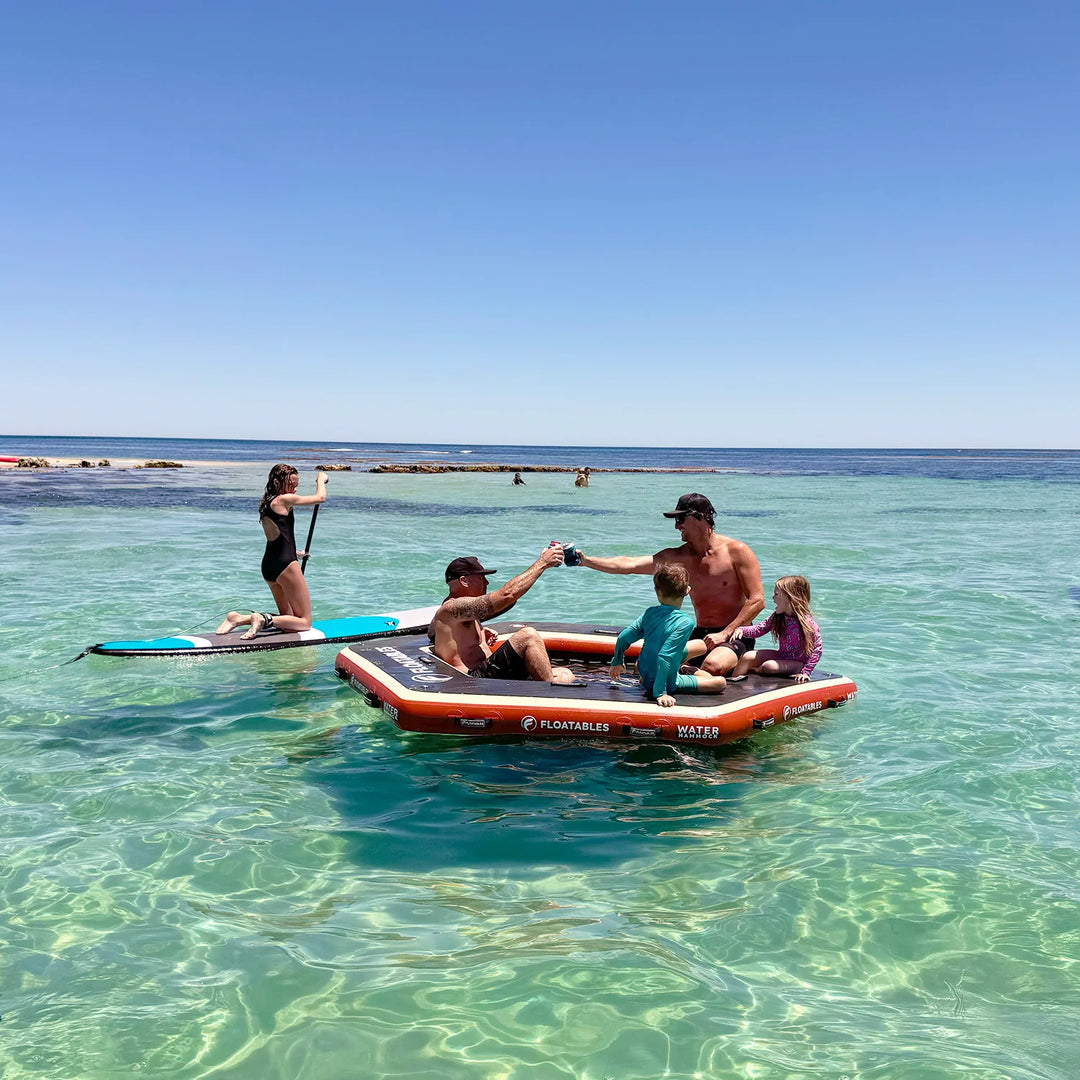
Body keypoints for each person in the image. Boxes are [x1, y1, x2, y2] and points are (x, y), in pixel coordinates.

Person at [577, 493, 764, 676]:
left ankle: (693, 669)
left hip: (735, 634)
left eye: (681, 519)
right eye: (675, 520)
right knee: (644, 667)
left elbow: (757, 600)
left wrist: (725, 633)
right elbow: (629, 564)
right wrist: (586, 561)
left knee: (713, 666)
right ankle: (686, 670)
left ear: (701, 517)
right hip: (700, 634)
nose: (677, 526)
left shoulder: (737, 551)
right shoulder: (677, 557)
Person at [216, 464, 329, 638]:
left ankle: (238, 618)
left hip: (270, 565)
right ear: (277, 482)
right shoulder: (284, 500)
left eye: (296, 484)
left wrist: (296, 553)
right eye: (291, 484)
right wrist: (321, 479)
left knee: (290, 623)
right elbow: (320, 497)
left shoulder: (267, 502)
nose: (295, 489)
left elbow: (278, 537)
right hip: (286, 566)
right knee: (305, 622)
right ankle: (261, 618)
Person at [429, 550, 575, 683]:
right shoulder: (453, 608)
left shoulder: (456, 613)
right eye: (481, 577)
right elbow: (506, 595)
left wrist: (478, 633)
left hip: (488, 671)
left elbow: (432, 631)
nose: (486, 582)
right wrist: (542, 563)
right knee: (528, 635)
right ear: (464, 581)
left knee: (565, 673)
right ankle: (548, 696)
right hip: (473, 678)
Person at [608, 563, 729, 706]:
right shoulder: (686, 622)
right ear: (687, 590)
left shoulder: (649, 613)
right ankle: (688, 670)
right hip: (666, 681)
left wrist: (617, 661)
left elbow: (623, 637)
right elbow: (665, 656)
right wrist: (661, 692)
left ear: (656, 591)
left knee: (701, 645)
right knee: (720, 683)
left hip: (646, 673)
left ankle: (677, 667)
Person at [728, 575, 822, 683]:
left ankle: (754, 670)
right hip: (782, 655)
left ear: (790, 598)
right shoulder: (778, 617)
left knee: (769, 666)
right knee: (747, 657)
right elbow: (760, 629)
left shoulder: (807, 623)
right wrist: (742, 630)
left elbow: (817, 649)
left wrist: (806, 671)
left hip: (798, 662)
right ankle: (733, 684)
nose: (773, 598)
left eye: (776, 594)